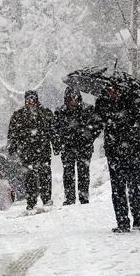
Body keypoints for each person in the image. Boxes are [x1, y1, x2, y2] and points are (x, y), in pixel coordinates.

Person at [95, 85, 140, 233]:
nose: (112, 93)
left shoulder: (131, 103)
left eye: (115, 90)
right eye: (109, 90)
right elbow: (96, 124)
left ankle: (138, 219)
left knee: (134, 187)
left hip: (132, 152)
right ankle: (122, 222)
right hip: (114, 153)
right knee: (118, 189)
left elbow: (136, 125)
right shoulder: (104, 104)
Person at [7, 90, 55, 211]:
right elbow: (12, 133)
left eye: (33, 98)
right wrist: (12, 147)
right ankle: (31, 201)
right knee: (29, 177)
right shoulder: (19, 115)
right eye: (29, 99)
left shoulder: (45, 113)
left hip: (43, 149)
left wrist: (56, 145)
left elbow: (53, 131)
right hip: (26, 151)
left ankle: (46, 198)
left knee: (45, 175)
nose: (31, 101)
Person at [54, 87, 101, 205]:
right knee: (68, 172)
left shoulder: (88, 110)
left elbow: (97, 125)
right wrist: (61, 141)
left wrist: (89, 138)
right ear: (66, 99)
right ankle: (70, 198)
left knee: (83, 172)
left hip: (84, 147)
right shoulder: (60, 112)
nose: (73, 100)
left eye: (75, 97)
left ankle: (83, 197)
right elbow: (55, 129)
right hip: (68, 147)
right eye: (70, 97)